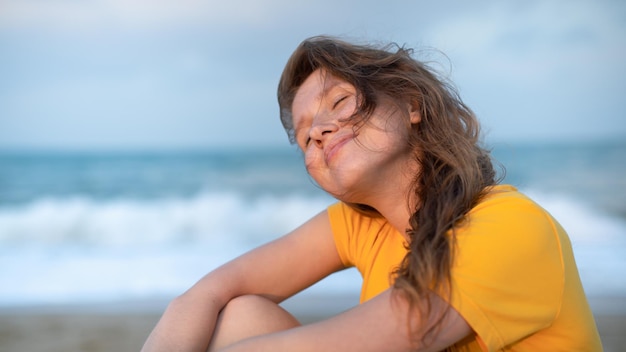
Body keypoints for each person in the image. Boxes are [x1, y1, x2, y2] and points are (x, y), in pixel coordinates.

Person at [142, 36, 602, 351]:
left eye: (339, 102)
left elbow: (407, 329)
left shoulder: (511, 224)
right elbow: (203, 296)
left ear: (411, 103)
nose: (319, 131)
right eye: (305, 138)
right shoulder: (360, 224)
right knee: (242, 315)